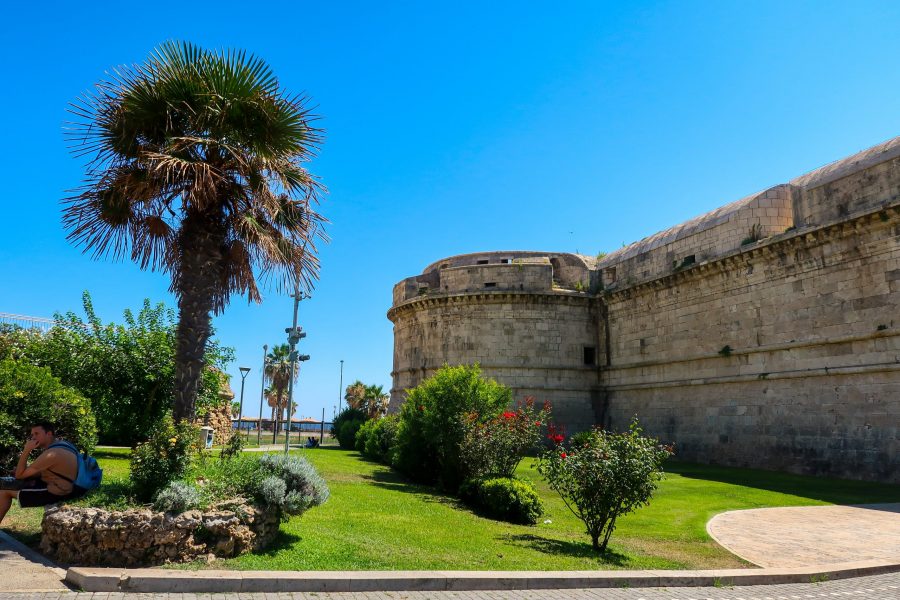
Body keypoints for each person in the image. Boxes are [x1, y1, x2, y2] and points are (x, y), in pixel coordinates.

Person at [0, 421, 83, 524]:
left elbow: (19, 475)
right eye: (32, 435)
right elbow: (48, 471)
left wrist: (26, 450)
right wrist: (26, 473)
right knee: (6, 483)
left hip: (58, 491)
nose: (33, 438)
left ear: (49, 434)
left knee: (4, 492)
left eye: (37, 434)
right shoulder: (63, 445)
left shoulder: (52, 453)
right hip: (66, 485)